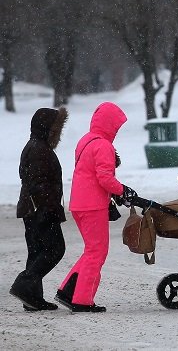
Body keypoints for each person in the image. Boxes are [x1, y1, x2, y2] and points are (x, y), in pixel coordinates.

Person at [56, 101, 133, 312]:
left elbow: (90, 173)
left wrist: (116, 191)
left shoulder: (85, 141)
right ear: (110, 125)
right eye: (116, 126)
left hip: (79, 203)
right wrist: (122, 190)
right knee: (97, 252)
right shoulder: (104, 146)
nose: (117, 131)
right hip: (93, 205)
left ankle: (67, 290)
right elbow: (105, 178)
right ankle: (81, 300)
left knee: (91, 250)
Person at [10, 107, 69, 311]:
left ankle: (32, 298)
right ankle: (24, 285)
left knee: (36, 251)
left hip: (32, 209)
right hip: (41, 210)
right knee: (55, 249)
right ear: (48, 129)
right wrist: (48, 209)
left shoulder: (34, 146)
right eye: (56, 128)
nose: (59, 133)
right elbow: (39, 184)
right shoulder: (39, 150)